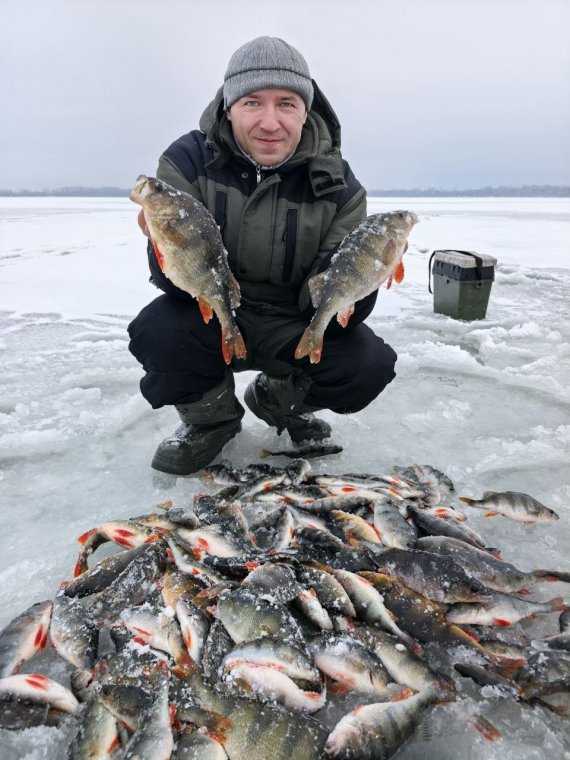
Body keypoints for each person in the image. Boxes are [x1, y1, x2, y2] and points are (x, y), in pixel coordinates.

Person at [128, 36, 398, 475]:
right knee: (159, 330)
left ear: (305, 111)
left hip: (293, 319)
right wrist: (160, 245)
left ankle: (276, 400)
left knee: (365, 364)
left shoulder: (339, 187)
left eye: (286, 104)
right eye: (252, 102)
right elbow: (174, 284)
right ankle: (211, 420)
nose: (270, 122)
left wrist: (368, 276)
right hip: (211, 309)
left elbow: (330, 305)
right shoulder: (187, 161)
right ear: (228, 108)